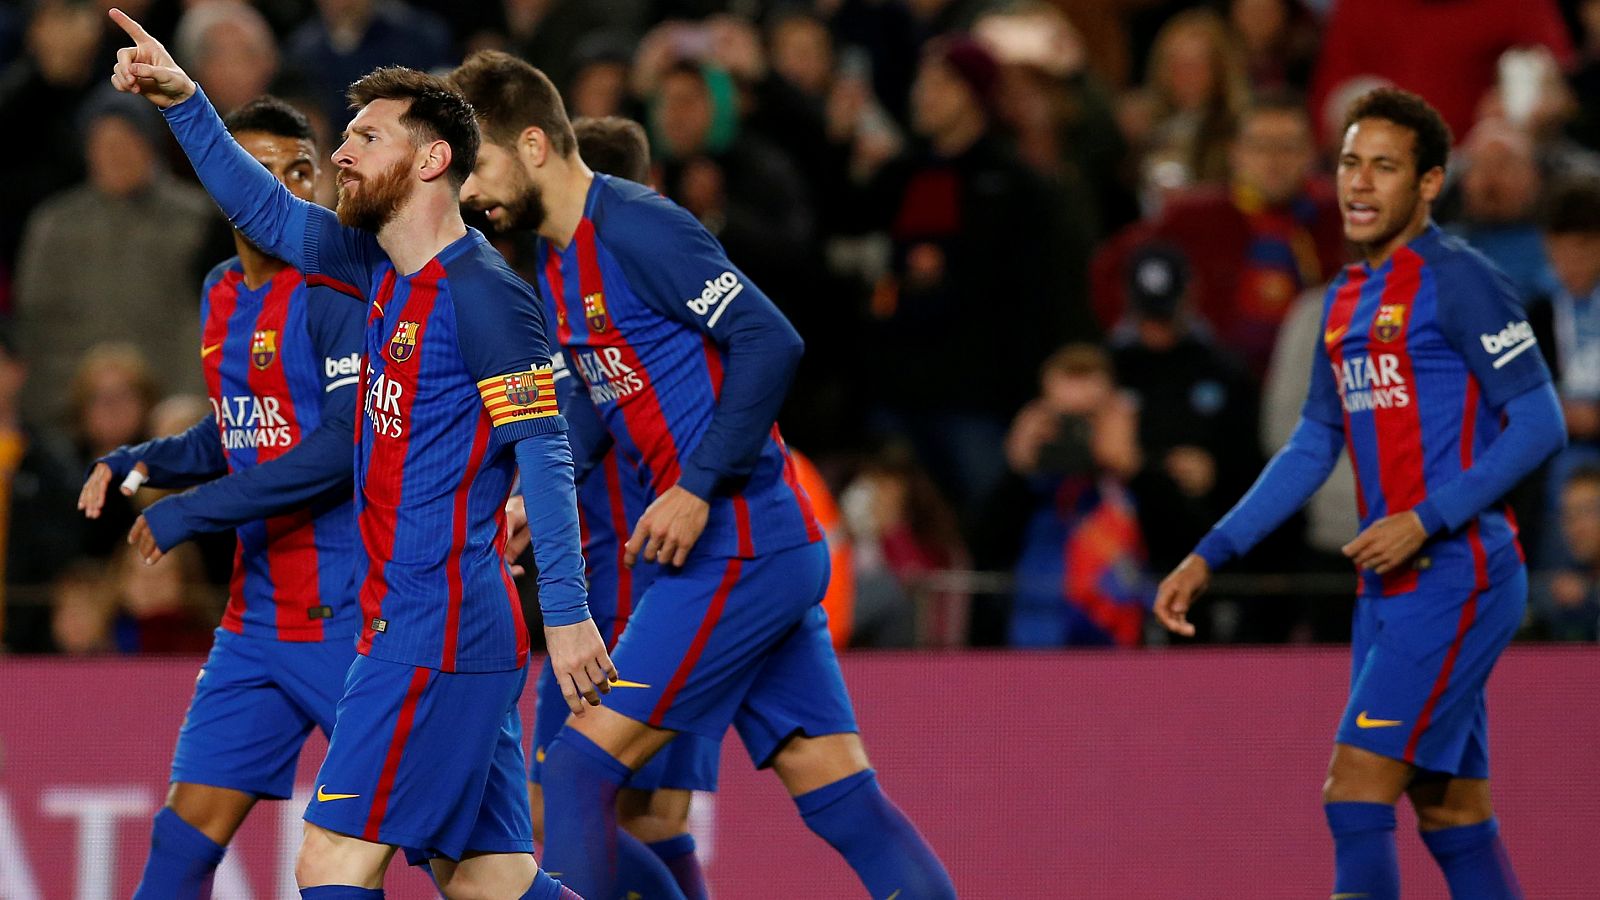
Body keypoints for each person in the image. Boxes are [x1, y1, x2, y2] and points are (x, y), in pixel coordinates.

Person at [107, 11, 606, 898]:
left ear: (430, 160)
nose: (339, 154)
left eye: (366, 137)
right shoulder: (369, 262)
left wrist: (566, 614)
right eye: (343, 136)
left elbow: (546, 452)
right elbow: (260, 203)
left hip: (437, 628)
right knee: (487, 877)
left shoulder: (486, 299)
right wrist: (185, 98)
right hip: (411, 620)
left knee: (333, 859)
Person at [450, 49, 955, 900]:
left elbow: (772, 340)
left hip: (736, 545)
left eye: (479, 166)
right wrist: (537, 494)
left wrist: (695, 486)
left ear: (533, 144)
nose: (469, 194)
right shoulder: (562, 259)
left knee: (577, 776)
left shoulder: (640, 227)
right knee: (838, 794)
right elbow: (601, 406)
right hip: (747, 553)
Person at [1155, 88, 1566, 900]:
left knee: (1354, 791)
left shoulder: (1462, 281)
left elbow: (1540, 422)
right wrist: (1211, 553)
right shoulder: (1343, 298)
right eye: (1349, 162)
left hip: (1459, 574)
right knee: (1450, 811)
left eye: (1384, 166)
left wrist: (1426, 517)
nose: (1361, 183)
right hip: (1385, 587)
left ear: (1429, 184)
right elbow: (1313, 444)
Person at [73, 95, 364, 899]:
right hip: (256, 623)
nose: (288, 186)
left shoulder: (337, 287)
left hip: (350, 615)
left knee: (462, 861)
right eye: (263, 172)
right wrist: (140, 466)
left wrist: (192, 511)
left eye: (303, 170)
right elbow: (236, 431)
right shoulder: (221, 290)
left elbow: (341, 451)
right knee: (180, 843)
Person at [507, 113, 722, 899]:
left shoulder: (624, 321)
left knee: (622, 815)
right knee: (604, 817)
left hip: (638, 603)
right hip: (612, 604)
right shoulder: (567, 315)